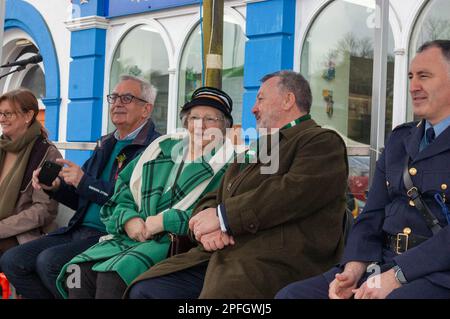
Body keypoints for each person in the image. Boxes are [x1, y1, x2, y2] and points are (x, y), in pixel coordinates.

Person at [126, 70, 349, 299]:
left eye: (260, 98)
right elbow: (215, 194)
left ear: (288, 100)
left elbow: (290, 193)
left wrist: (224, 218)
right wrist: (207, 225)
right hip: (221, 255)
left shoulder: (321, 141)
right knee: (145, 290)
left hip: (275, 261)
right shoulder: (256, 148)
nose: (253, 108)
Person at [276, 40, 450, 299]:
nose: (413, 87)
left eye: (424, 76)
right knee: (293, 295)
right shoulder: (400, 140)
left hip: (437, 272)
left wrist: (398, 275)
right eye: (411, 76)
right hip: (382, 263)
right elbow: (372, 212)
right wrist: (354, 267)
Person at [56, 86, 236, 299]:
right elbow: (121, 192)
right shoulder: (161, 148)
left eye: (210, 119)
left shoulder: (230, 163)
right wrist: (128, 219)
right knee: (77, 272)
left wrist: (164, 221)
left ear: (224, 126)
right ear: (186, 122)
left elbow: (218, 214)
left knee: (112, 276)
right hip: (129, 236)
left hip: (174, 246)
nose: (200, 125)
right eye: (194, 117)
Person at [0, 75, 161, 298]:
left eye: (127, 98)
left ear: (146, 109)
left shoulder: (153, 149)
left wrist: (84, 181)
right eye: (114, 97)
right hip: (77, 229)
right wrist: (55, 187)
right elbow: (81, 199)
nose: (117, 103)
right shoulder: (106, 143)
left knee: (49, 262)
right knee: (13, 260)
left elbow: (133, 201)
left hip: (111, 234)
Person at [0, 89, 61, 258]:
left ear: (28, 116)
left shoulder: (47, 153)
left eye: (8, 114)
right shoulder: (2, 147)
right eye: (0, 113)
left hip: (21, 236)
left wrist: (2, 228)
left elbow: (43, 210)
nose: (1, 119)